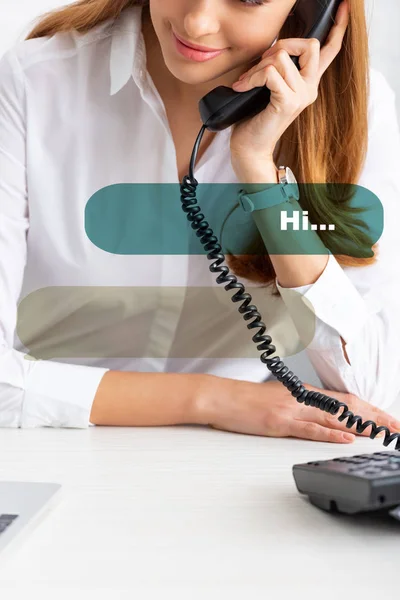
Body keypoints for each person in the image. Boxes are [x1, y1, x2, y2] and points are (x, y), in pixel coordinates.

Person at [1, 0, 400, 443]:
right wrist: (213, 400)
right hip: (50, 450)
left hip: (230, 478)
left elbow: (368, 391)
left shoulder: (357, 112)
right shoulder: (34, 82)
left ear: (313, 9)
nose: (197, 21)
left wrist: (262, 180)